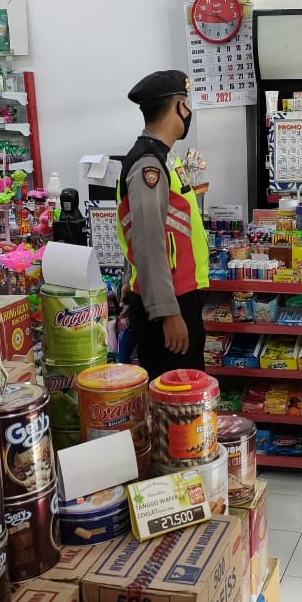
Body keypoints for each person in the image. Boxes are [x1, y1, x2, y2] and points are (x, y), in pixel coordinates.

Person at [116, 70, 209, 376]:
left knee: (187, 391)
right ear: (178, 106)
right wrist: (167, 313)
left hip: (178, 297)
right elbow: (147, 241)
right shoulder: (148, 165)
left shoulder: (165, 158)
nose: (189, 112)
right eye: (187, 104)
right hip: (168, 306)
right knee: (176, 395)